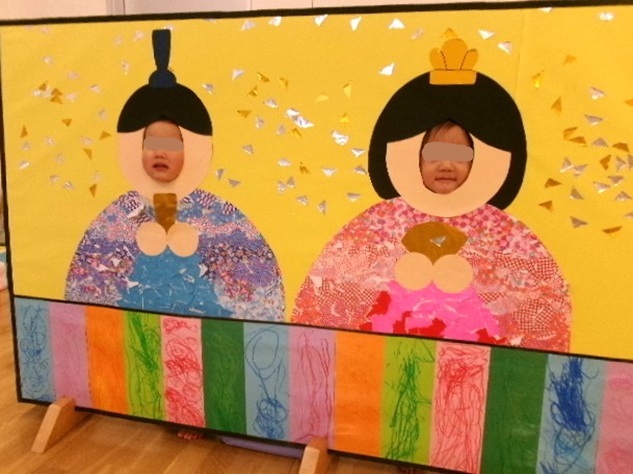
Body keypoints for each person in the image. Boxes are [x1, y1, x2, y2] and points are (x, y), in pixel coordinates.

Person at [292, 38, 571, 352]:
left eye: (461, 155)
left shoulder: (509, 235)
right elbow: (330, 294)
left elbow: (541, 311)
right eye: (434, 153)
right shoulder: (377, 223)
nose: (446, 165)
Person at [65, 30, 284, 322]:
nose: (160, 152)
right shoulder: (119, 214)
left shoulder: (220, 215)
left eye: (171, 145)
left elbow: (255, 288)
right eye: (151, 144)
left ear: (193, 149)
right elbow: (89, 286)